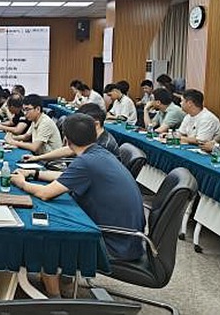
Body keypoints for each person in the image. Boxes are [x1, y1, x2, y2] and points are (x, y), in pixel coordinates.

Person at [10, 113, 144, 297]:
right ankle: (63, 282)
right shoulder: (98, 153)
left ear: (66, 139)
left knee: (46, 236)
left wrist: (22, 183)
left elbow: (45, 194)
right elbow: (68, 177)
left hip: (113, 242)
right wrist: (34, 174)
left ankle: (54, 299)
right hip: (128, 236)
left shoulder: (87, 161)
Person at [25, 103, 119, 161]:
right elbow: (68, 150)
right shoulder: (90, 137)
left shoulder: (104, 146)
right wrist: (38, 157)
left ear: (96, 124)